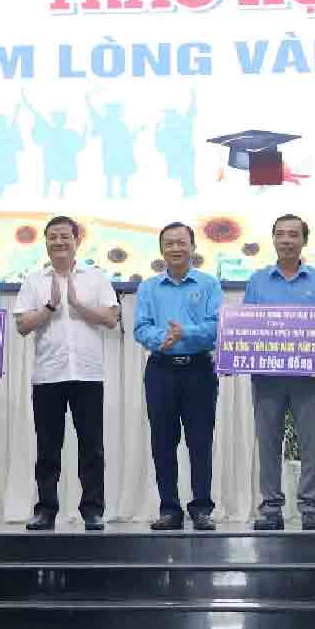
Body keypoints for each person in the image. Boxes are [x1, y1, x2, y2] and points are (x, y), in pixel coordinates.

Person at [14, 215, 120, 531]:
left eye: (65, 237)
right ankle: (46, 510)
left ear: (77, 241)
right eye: (53, 237)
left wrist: (76, 304)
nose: (59, 242)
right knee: (48, 448)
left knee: (92, 447)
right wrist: (49, 308)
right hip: (48, 375)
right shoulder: (34, 280)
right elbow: (21, 326)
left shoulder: (96, 277)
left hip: (87, 375)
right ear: (46, 241)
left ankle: (93, 510)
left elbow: (111, 318)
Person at [245, 213, 315, 531]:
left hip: (309, 380)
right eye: (281, 234)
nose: (287, 240)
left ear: (304, 241)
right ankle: (271, 508)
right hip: (267, 378)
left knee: (311, 443)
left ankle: (310, 507)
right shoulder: (257, 281)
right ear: (273, 240)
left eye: (293, 235)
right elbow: (244, 329)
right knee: (268, 442)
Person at [133, 222, 223, 531]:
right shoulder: (148, 287)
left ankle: (201, 508)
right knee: (163, 441)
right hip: (161, 370)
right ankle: (169, 508)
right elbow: (140, 327)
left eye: (181, 242)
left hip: (199, 369)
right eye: (169, 243)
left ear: (193, 247)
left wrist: (186, 333)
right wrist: (163, 339)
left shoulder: (209, 285)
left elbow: (216, 328)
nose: (175, 248)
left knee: (200, 441)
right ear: (161, 250)